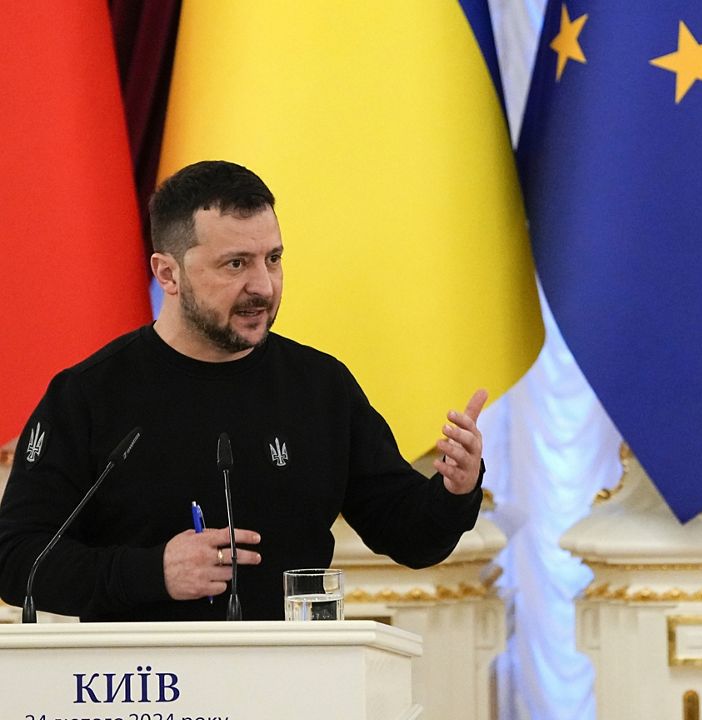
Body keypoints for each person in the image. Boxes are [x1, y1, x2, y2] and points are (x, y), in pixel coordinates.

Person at [0, 160, 487, 621]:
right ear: (167, 273)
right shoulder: (87, 395)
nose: (264, 286)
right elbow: (17, 560)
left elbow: (411, 538)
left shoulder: (320, 387)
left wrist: (454, 490)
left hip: (292, 688)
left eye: (273, 259)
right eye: (235, 264)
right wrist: (151, 574)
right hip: (143, 691)